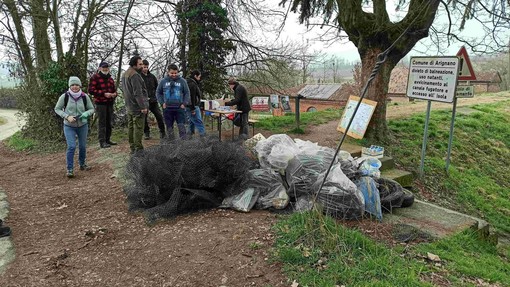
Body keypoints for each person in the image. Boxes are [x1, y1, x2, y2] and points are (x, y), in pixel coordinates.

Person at [54, 76, 95, 177]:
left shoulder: (85, 96)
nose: (75, 87)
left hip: (82, 125)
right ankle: (70, 169)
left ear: (80, 85)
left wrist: (86, 114)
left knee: (82, 146)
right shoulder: (64, 96)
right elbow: (57, 109)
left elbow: (91, 109)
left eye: (76, 85)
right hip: (69, 126)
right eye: (72, 85)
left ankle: (82, 164)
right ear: (69, 86)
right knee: (71, 146)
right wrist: (67, 116)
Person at [121, 56, 149, 154]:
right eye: (140, 64)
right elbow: (138, 93)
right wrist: (143, 107)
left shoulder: (125, 74)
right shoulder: (135, 75)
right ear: (134, 65)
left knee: (131, 127)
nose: (142, 66)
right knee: (138, 128)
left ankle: (132, 147)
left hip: (129, 106)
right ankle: (138, 149)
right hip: (136, 107)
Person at [88, 61, 118, 148]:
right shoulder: (95, 77)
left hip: (110, 102)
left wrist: (114, 94)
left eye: (107, 68)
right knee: (102, 122)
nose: (105, 69)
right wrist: (104, 94)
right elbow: (91, 90)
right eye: (103, 68)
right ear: (100, 68)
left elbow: (114, 90)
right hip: (100, 103)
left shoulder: (111, 79)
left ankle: (108, 139)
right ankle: (102, 141)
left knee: (109, 122)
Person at [156, 64, 190, 140]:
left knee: (181, 127)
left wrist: (184, 103)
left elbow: (187, 93)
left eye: (175, 73)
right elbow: (158, 93)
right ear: (168, 72)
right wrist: (162, 103)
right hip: (167, 108)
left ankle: (184, 144)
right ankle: (171, 144)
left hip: (179, 108)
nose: (174, 75)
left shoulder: (182, 81)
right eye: (172, 73)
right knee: (169, 127)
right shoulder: (163, 81)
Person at [141, 60, 166, 140]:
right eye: (144, 67)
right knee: (144, 118)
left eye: (147, 67)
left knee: (159, 116)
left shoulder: (152, 76)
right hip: (144, 101)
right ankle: (146, 133)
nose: (145, 69)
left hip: (153, 101)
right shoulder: (139, 77)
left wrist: (155, 97)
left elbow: (157, 88)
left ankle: (162, 132)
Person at [186, 69, 206, 137]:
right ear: (195, 76)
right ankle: (203, 137)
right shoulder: (192, 84)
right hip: (192, 106)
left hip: (190, 105)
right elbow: (191, 97)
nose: (199, 79)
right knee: (198, 121)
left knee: (192, 121)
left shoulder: (190, 82)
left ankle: (189, 135)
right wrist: (192, 109)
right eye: (199, 77)